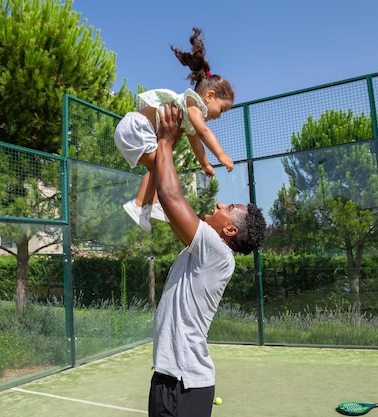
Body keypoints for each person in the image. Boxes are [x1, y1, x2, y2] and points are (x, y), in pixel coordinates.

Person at [148, 102, 267, 417]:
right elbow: (165, 196)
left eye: (226, 207)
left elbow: (172, 196)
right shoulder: (202, 250)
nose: (218, 202)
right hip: (170, 376)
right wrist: (164, 148)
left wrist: (165, 141)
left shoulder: (216, 251)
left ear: (228, 229)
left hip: (185, 383)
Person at [115, 27, 235, 233]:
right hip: (136, 128)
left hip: (132, 129)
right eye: (221, 109)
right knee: (162, 164)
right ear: (209, 96)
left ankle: (146, 205)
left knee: (160, 164)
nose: (219, 115)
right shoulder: (193, 104)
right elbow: (204, 133)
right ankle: (140, 205)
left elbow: (196, 141)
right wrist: (222, 155)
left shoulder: (190, 115)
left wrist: (205, 163)